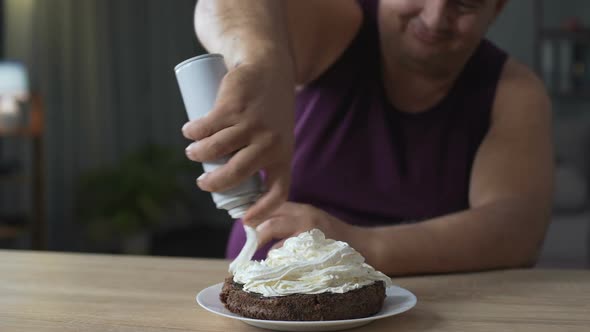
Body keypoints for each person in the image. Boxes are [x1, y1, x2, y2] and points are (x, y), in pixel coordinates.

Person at [182, 0, 553, 276]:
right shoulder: (337, 27)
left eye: (465, 2)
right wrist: (261, 60)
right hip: (259, 301)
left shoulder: (513, 91)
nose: (435, 17)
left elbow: (516, 230)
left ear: (498, 7)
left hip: (426, 309)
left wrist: (358, 244)